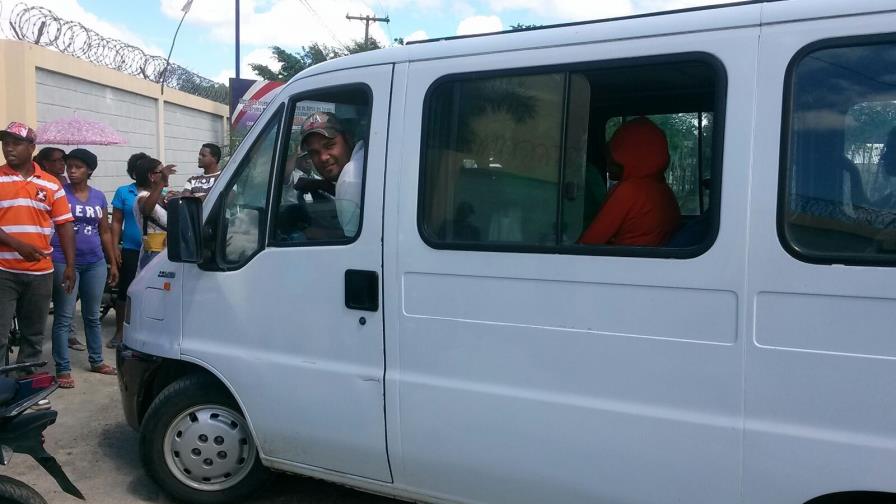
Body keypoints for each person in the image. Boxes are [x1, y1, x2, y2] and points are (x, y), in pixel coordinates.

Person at [0, 122, 75, 369]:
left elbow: (64, 225)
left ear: (32, 147)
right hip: (3, 271)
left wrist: (70, 266)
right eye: (5, 142)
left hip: (40, 272)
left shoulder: (52, 184)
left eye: (16, 143)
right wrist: (14, 243)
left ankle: (26, 387)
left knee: (33, 337)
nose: (8, 148)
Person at [49, 148, 119, 387]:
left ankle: (97, 360)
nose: (72, 171)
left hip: (94, 262)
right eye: (69, 166)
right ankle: (63, 368)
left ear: (89, 170)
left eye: (77, 167)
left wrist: (111, 262)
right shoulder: (59, 193)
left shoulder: (98, 196)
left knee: (91, 316)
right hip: (63, 261)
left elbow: (105, 231)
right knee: (64, 316)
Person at [578, 117, 680, 246]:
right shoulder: (664, 190)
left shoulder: (629, 191)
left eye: (614, 156)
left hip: (622, 263)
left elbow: (588, 243)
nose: (608, 164)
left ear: (631, 156)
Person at [298, 112, 364, 238]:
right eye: (314, 152)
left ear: (348, 139)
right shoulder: (363, 160)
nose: (323, 157)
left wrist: (317, 234)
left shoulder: (350, 177)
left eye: (329, 145)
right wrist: (324, 186)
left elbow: (355, 248)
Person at [109, 152, 149, 349]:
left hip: (153, 250)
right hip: (131, 249)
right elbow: (116, 222)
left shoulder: (160, 192)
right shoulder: (124, 192)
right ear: (133, 172)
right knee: (125, 290)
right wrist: (116, 247)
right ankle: (119, 331)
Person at [134, 156, 174, 270]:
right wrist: (162, 183)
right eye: (162, 172)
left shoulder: (163, 197)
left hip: (167, 251)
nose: (166, 175)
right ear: (151, 176)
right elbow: (146, 210)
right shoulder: (142, 197)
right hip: (154, 253)